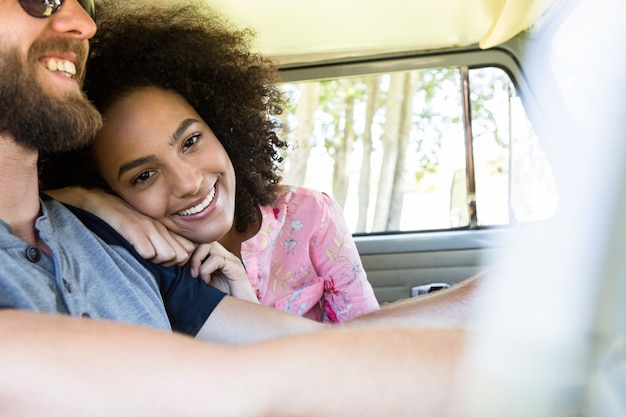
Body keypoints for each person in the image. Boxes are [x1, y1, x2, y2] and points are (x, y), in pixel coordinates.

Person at [0, 0, 472, 414]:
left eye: (190, 141)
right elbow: (266, 377)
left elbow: (322, 349)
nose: (83, 21)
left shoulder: (124, 241)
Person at [42, 0, 379, 323]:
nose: (188, 182)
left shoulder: (309, 216)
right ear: (111, 191)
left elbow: (373, 354)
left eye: (190, 141)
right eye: (144, 175)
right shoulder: (129, 262)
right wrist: (92, 201)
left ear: (220, 127)